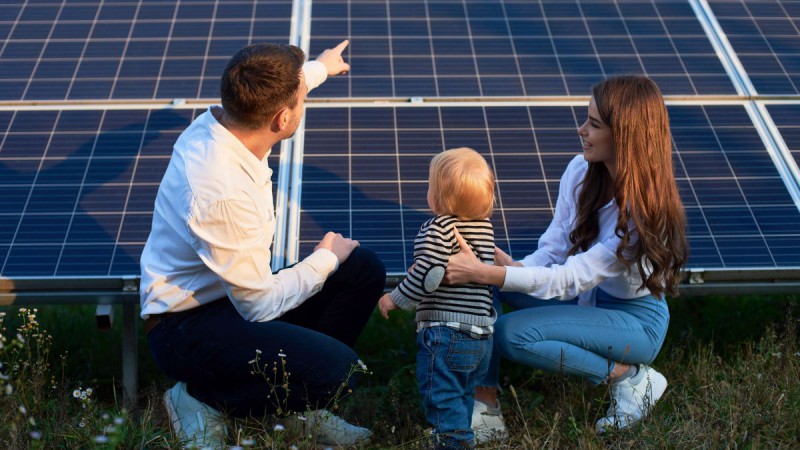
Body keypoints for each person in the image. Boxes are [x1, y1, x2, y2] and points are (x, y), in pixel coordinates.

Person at [139, 41, 386, 448]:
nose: (302, 101)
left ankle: (290, 405)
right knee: (338, 372)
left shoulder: (227, 119)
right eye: (300, 99)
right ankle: (200, 401)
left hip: (229, 295)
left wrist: (321, 69)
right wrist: (323, 258)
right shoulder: (220, 192)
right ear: (282, 117)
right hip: (185, 325)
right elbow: (258, 305)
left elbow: (283, 92)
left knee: (361, 269)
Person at [442, 75, 688, 439]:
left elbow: (570, 277)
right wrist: (514, 269)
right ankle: (485, 404)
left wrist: (493, 275)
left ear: (624, 135)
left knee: (511, 335)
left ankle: (631, 379)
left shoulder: (642, 212)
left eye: (594, 124)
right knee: (485, 283)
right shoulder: (580, 171)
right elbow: (554, 250)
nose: (581, 129)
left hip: (635, 320)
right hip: (585, 297)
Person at [379, 147, 496, 449]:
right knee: (463, 392)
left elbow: (427, 276)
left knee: (441, 396)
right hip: (482, 336)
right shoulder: (484, 229)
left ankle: (453, 442)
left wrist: (395, 298)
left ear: (438, 198)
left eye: (430, 186)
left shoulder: (437, 228)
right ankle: (460, 434)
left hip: (447, 332)